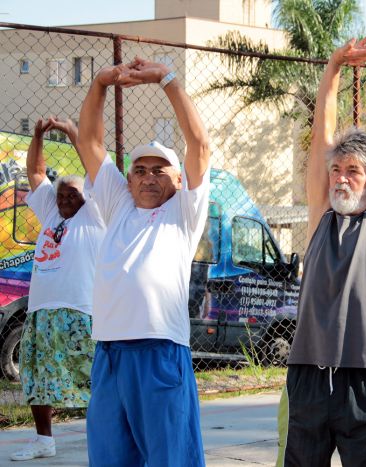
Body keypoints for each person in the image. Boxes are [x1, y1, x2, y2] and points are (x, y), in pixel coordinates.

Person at [276, 35, 366, 467]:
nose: (341, 178)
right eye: (336, 170)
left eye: (354, 171)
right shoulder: (320, 220)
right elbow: (321, 138)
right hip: (307, 379)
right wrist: (333, 66)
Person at [76, 57, 210, 466]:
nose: (149, 176)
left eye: (160, 170)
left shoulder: (183, 212)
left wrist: (165, 79)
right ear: (128, 180)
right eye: (140, 170)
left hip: (160, 351)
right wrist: (99, 84)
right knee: (111, 457)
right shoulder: (117, 204)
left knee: (170, 458)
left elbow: (199, 145)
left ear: (178, 180)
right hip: (111, 352)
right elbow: (89, 143)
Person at [12, 118, 105, 461]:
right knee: (36, 375)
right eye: (61, 194)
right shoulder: (51, 213)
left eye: (73, 195)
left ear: (86, 198)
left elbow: (94, 163)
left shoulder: (94, 215)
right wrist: (37, 135)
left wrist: (70, 132)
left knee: (93, 380)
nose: (65, 199)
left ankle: (108, 436)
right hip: (41, 310)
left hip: (79, 310)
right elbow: (36, 173)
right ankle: (43, 441)